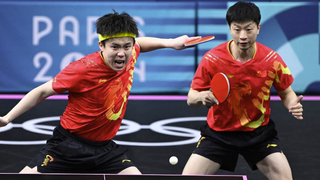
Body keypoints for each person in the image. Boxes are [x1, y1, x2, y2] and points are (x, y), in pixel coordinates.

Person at [0, 10, 197, 174]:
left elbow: (140, 44)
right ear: (101, 45)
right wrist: (8, 118)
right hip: (68, 145)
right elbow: (42, 91)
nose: (122, 53)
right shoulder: (82, 69)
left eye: (127, 46)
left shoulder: (130, 53)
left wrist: (171, 43)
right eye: (115, 47)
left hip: (104, 148)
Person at [182, 1, 303, 180]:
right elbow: (190, 99)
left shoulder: (271, 60)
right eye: (237, 29)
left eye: (248, 29)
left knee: (285, 177)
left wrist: (292, 103)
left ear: (258, 28)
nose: (243, 36)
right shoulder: (213, 59)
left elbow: (286, 92)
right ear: (230, 29)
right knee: (187, 177)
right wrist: (202, 96)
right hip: (219, 134)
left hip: (258, 134)